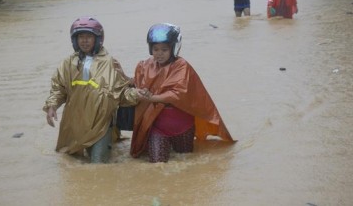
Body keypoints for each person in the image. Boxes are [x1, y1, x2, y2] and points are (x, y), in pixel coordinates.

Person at [130, 23, 235, 163]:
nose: (159, 53)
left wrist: (153, 98)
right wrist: (125, 80)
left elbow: (177, 94)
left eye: (164, 49)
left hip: (183, 127)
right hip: (157, 127)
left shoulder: (182, 66)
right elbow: (139, 83)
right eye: (155, 49)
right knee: (157, 165)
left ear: (174, 48)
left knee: (186, 161)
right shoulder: (145, 65)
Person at [43, 17, 141, 163]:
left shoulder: (109, 62)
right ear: (75, 40)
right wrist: (52, 106)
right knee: (70, 164)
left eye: (89, 37)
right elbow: (58, 88)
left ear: (98, 39)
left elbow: (120, 92)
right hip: (74, 123)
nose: (85, 41)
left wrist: (138, 94)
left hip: (101, 123)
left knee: (99, 165)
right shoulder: (68, 63)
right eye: (81, 37)